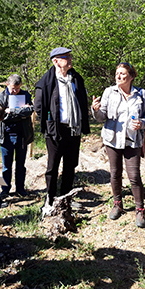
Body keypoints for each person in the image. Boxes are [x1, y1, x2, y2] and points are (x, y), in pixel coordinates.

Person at [92, 63, 145, 228]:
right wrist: (95, 110)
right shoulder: (109, 92)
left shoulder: (141, 94)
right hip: (112, 139)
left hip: (132, 140)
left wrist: (142, 123)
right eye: (116, 73)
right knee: (115, 173)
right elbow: (101, 117)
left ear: (131, 76)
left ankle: (140, 210)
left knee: (134, 176)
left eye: (122, 74)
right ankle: (117, 204)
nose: (118, 76)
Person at [35, 47, 90, 205]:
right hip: (55, 131)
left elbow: (81, 100)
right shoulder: (46, 82)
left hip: (73, 129)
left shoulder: (76, 78)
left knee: (70, 165)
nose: (70, 59)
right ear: (56, 61)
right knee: (53, 167)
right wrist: (50, 121)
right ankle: (50, 199)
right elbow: (39, 107)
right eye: (66, 57)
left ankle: (66, 198)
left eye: (70, 56)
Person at [0, 74, 34, 198]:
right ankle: (5, 190)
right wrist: (21, 112)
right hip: (6, 136)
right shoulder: (1, 97)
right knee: (7, 166)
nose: (15, 91)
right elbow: (2, 116)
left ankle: (20, 189)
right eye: (13, 88)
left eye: (17, 89)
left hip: (22, 136)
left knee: (20, 165)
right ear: (7, 85)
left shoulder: (26, 95)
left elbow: (30, 111)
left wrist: (12, 111)